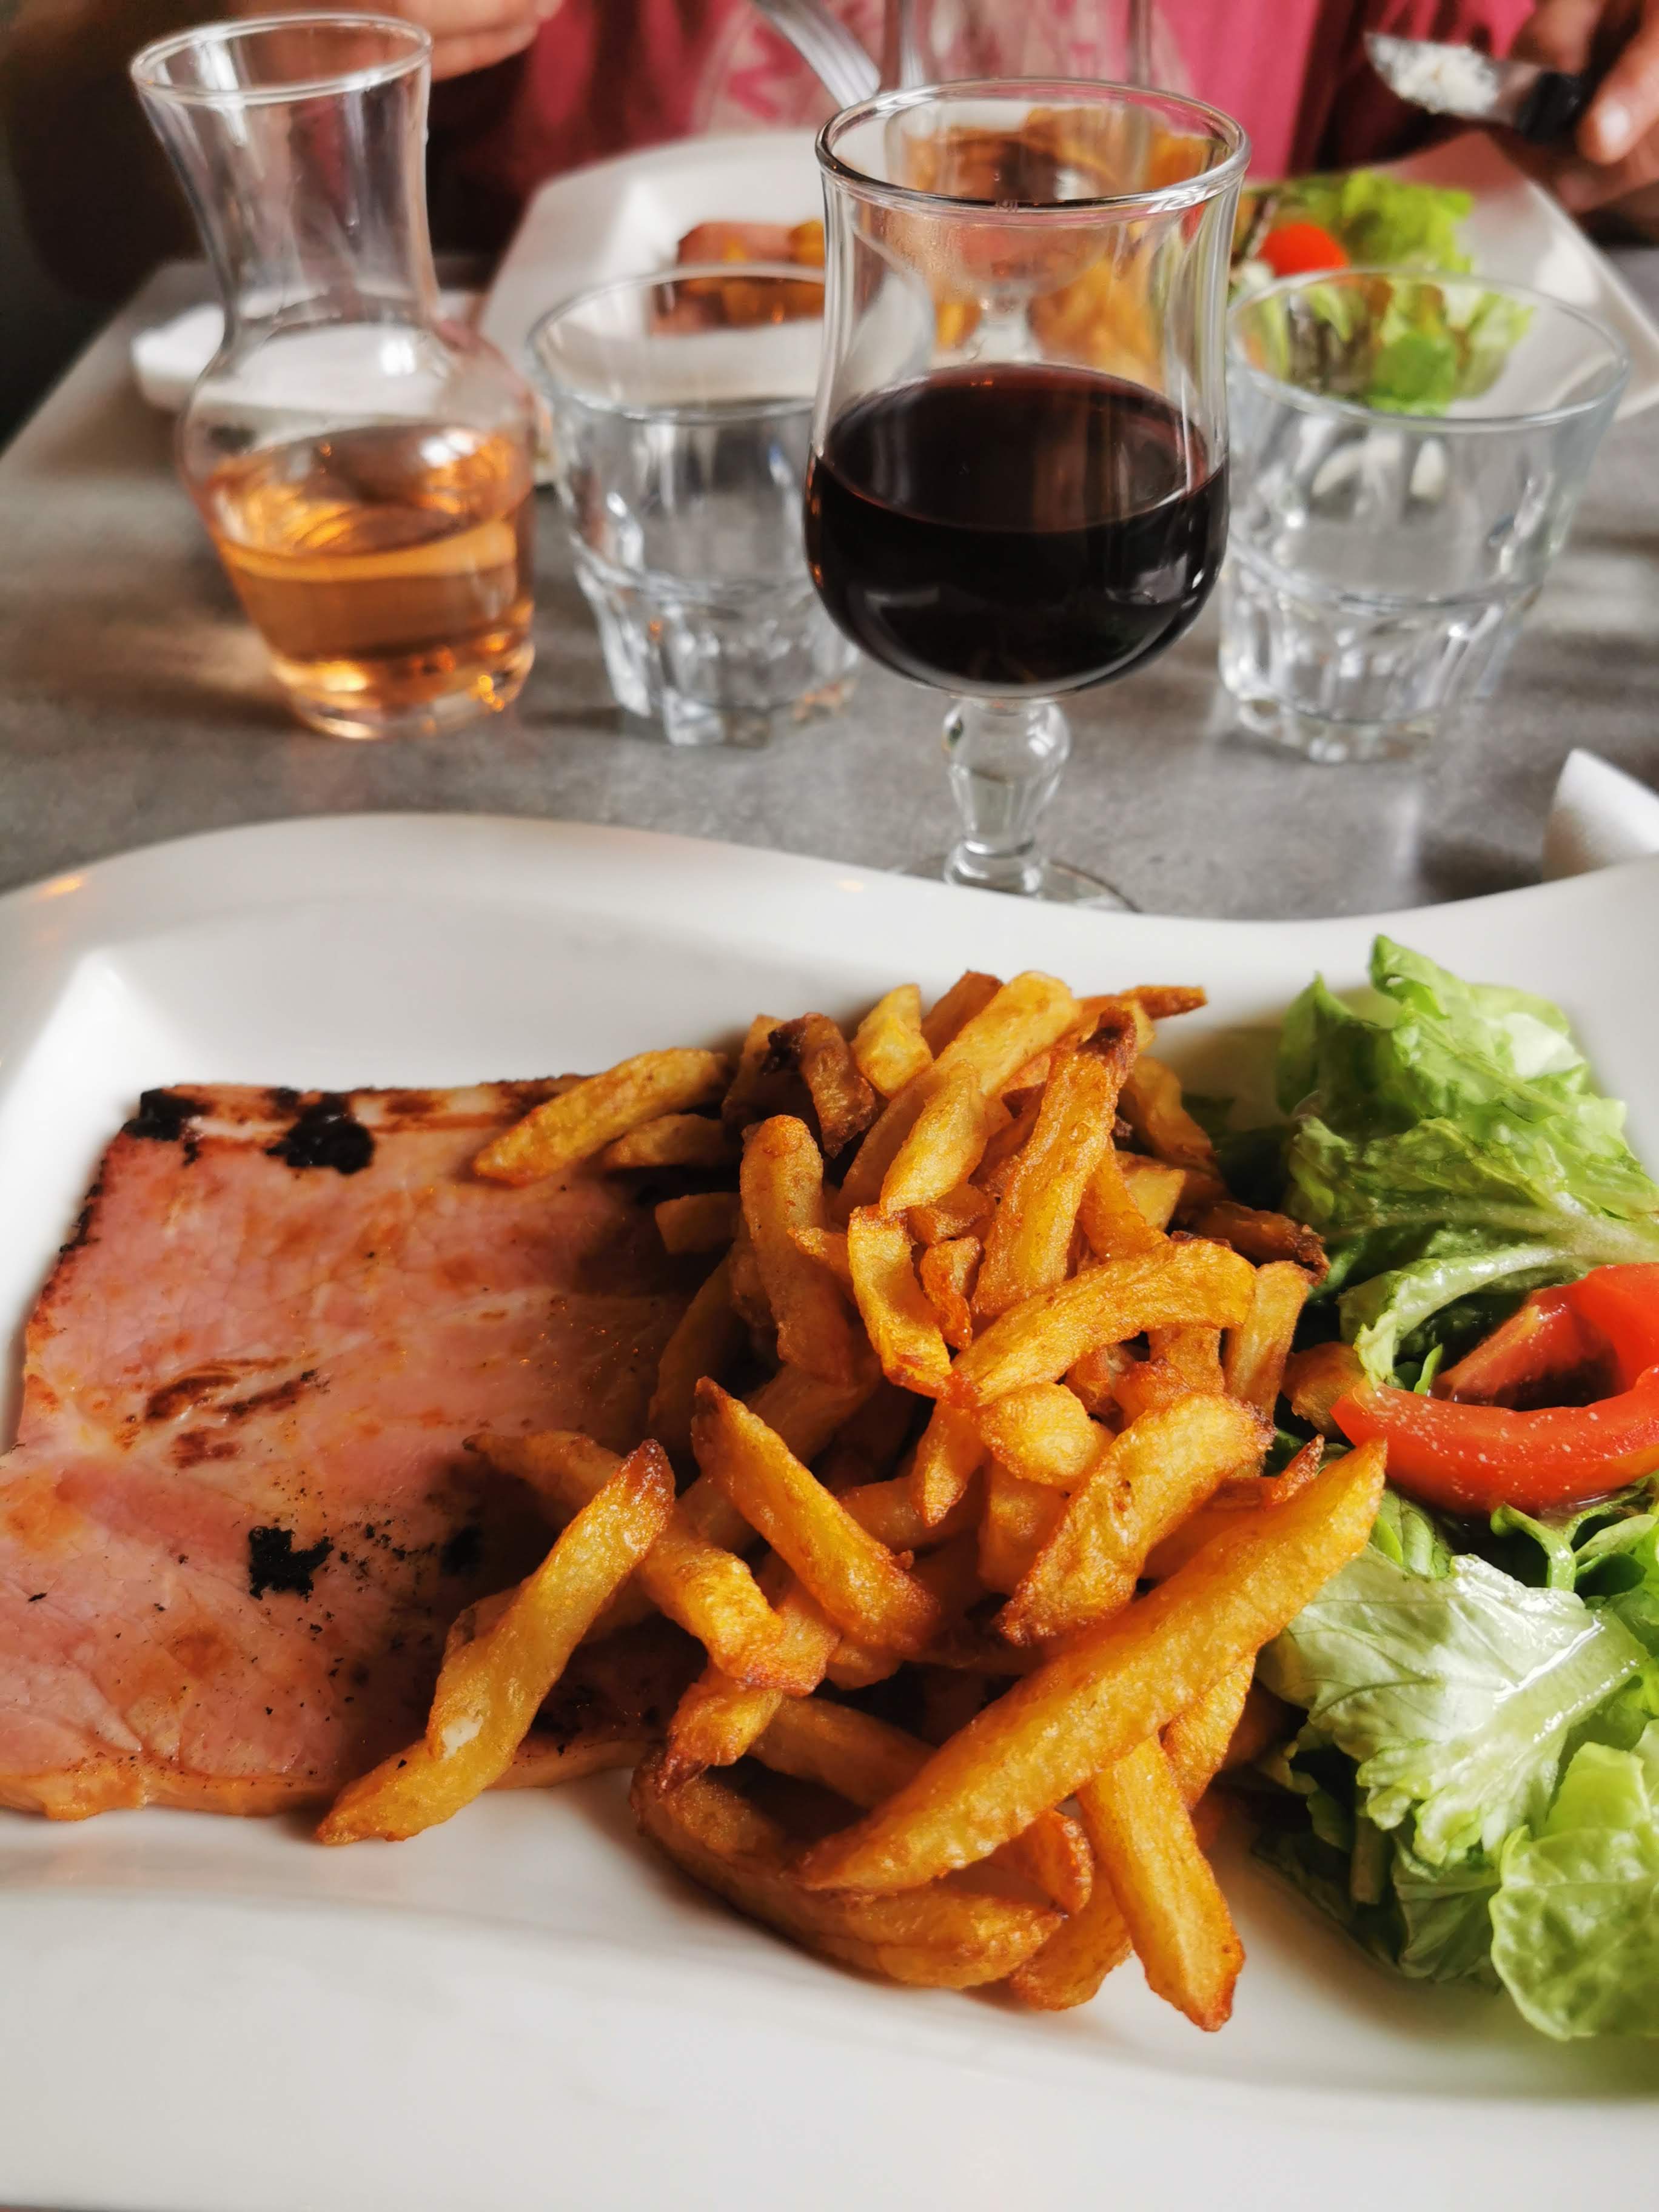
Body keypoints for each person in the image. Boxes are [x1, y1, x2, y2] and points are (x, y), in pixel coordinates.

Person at [3, 0, 1656, 299]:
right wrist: (250, 47)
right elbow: (78, 207)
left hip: (1173, 558)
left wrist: (1620, 118)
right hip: (586, 577)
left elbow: (1538, 124)